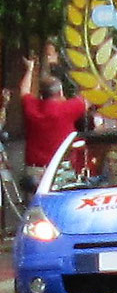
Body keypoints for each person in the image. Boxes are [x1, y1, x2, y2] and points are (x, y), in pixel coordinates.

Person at [19, 56, 86, 198]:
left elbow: (24, 90)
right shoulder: (68, 108)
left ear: (42, 94)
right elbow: (87, 98)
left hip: (35, 171)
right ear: (60, 92)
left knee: (36, 206)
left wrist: (30, 69)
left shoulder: (31, 108)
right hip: (60, 169)